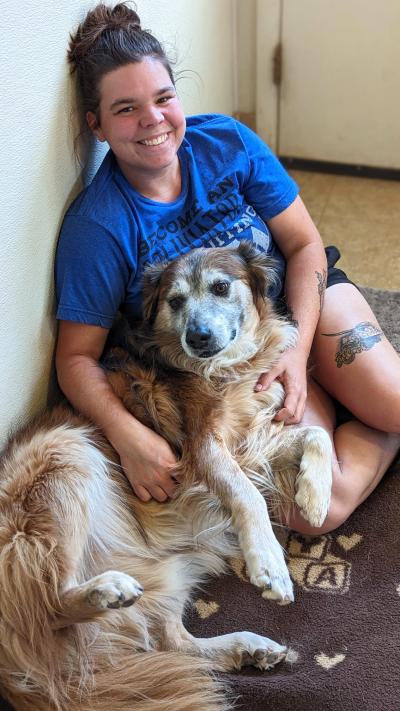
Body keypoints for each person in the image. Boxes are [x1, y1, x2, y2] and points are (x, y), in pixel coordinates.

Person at [55, 2, 400, 534]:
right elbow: (76, 358)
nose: (153, 120)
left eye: (164, 97)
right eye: (126, 108)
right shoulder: (98, 227)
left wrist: (297, 349)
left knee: (396, 406)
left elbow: (305, 242)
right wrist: (129, 436)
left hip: (304, 305)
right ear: (96, 126)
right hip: (224, 373)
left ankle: (360, 398)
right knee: (317, 511)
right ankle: (349, 405)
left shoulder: (226, 142)